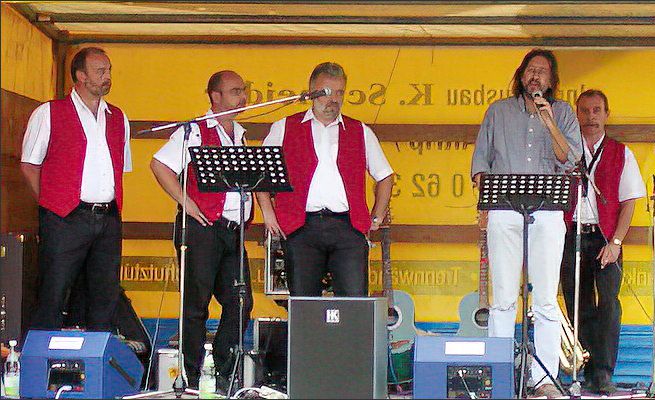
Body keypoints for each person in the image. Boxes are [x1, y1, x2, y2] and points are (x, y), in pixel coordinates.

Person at [470, 49, 581, 398]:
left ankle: (544, 378)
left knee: (545, 299)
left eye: (543, 72)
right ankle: (500, 374)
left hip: (547, 213)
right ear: (521, 75)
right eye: (531, 70)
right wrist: (485, 206)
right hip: (503, 210)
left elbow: (570, 159)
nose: (536, 76)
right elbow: (480, 163)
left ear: (552, 80)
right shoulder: (498, 111)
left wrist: (549, 122)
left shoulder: (563, 112)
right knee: (503, 298)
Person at [150, 70, 253, 390]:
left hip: (232, 231)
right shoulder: (194, 131)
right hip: (202, 229)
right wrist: (187, 203)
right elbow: (159, 165)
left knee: (241, 302)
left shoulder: (239, 134)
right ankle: (193, 376)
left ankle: (222, 371)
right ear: (215, 96)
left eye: (243, 91)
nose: (242, 97)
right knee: (196, 306)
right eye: (234, 91)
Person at [257, 62, 394, 297]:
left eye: (340, 93)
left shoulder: (360, 130)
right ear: (312, 92)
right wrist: (268, 214)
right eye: (327, 92)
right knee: (304, 303)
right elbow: (260, 174)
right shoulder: (284, 127)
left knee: (353, 303)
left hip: (347, 227)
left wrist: (376, 216)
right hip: (301, 227)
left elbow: (385, 176)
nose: (334, 99)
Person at [21, 47, 132, 332]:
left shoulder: (118, 117)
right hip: (64, 217)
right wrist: (52, 204)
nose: (107, 76)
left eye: (108, 70)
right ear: (81, 76)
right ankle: (43, 355)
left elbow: (120, 168)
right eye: (100, 71)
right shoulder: (49, 113)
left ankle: (98, 356)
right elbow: (30, 165)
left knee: (104, 294)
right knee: (54, 292)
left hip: (107, 217)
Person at [560, 90, 645, 395]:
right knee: (577, 303)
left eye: (597, 110)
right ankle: (584, 370)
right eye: (585, 111)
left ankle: (604, 373)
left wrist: (617, 242)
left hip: (606, 236)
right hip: (571, 233)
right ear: (577, 115)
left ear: (607, 114)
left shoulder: (621, 152)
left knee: (608, 304)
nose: (591, 117)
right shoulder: (566, 151)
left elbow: (629, 202)